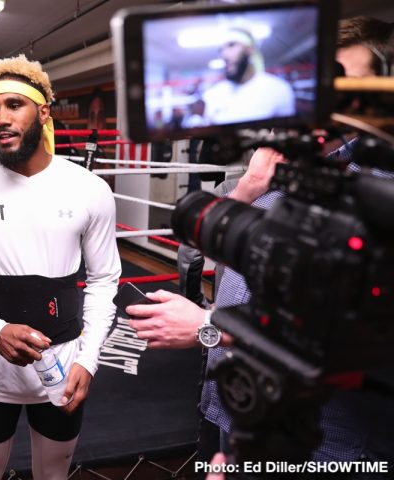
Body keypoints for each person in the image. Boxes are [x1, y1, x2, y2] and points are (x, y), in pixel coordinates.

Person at [128, 17, 394, 474]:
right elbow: (215, 251)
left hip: (329, 445)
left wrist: (207, 327)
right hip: (235, 408)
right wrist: (249, 187)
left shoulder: (380, 196)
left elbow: (360, 338)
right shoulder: (285, 166)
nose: (322, 102)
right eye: (315, 83)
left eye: (343, 84)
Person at [0, 54, 121, 480]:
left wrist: (88, 361)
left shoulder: (88, 189)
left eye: (15, 105)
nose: (1, 118)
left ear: (43, 112)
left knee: (53, 476)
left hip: (63, 370)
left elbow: (105, 279)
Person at [201, 27, 295, 125]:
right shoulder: (213, 95)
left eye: (231, 45)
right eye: (221, 50)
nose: (224, 55)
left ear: (250, 49)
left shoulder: (278, 89)